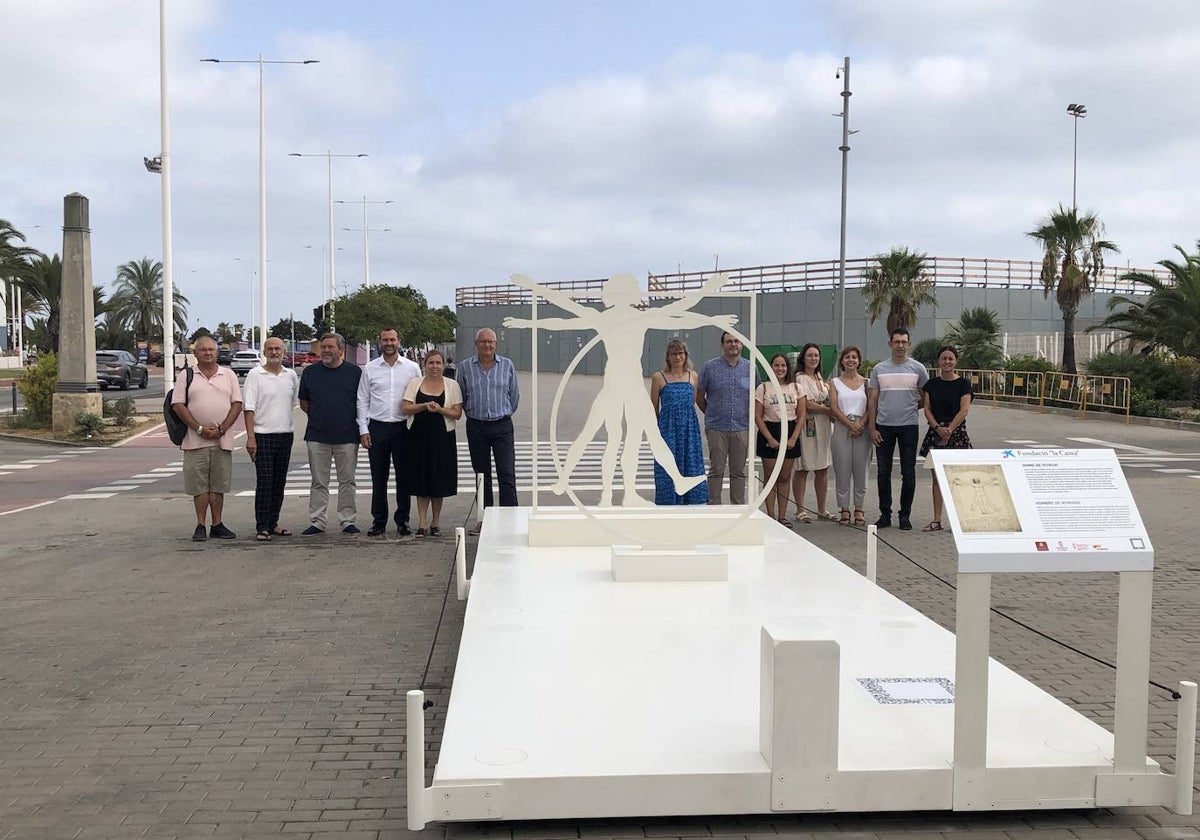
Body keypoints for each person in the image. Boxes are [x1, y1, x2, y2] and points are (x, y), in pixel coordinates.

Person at [503, 273, 726, 507]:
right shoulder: (622, 318)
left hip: (628, 385)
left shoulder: (627, 318)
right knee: (606, 434)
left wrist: (709, 303)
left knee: (636, 435)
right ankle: (571, 481)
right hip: (617, 384)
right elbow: (678, 312)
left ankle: (608, 488)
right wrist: (529, 315)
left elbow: (678, 313)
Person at [170, 335, 243, 541]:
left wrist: (223, 428)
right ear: (195, 353)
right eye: (203, 350)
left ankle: (217, 523)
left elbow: (237, 403)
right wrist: (199, 428)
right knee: (199, 486)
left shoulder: (228, 375)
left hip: (222, 440)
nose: (208, 353)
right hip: (195, 442)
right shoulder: (187, 375)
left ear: (217, 352)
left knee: (218, 485)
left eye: (211, 349)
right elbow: (178, 405)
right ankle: (201, 524)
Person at [357, 328, 422, 537]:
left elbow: (418, 396)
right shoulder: (370, 368)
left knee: (404, 477)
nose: (389, 343)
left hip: (403, 428)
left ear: (398, 341)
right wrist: (363, 429)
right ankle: (379, 521)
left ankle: (403, 520)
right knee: (379, 477)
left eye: (392, 339)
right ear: (380, 342)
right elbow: (362, 399)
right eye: (385, 340)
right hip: (378, 428)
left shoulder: (412, 368)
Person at [299, 333, 363, 535]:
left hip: (347, 436)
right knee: (319, 481)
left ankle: (347, 520)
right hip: (317, 436)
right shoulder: (310, 373)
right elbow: (304, 403)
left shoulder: (355, 373)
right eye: (323, 347)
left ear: (340, 350)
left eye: (330, 347)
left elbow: (361, 402)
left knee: (347, 481)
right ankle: (318, 521)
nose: (326, 351)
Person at [866, 327, 929, 530]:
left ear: (909, 344)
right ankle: (885, 514)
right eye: (897, 342)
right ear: (890, 344)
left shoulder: (918, 369)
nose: (900, 345)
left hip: (908, 427)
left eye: (904, 342)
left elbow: (925, 397)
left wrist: (911, 407)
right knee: (883, 472)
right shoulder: (879, 369)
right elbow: (872, 399)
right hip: (883, 427)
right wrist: (872, 427)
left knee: (908, 473)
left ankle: (905, 515)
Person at [457, 327, 520, 514]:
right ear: (476, 344)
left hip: (502, 425)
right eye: (483, 341)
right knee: (481, 475)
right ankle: (484, 517)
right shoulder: (466, 367)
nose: (487, 345)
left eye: (490, 341)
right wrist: (473, 412)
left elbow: (514, 395)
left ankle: (509, 516)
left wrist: (504, 412)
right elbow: (462, 394)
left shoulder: (507, 365)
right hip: (477, 426)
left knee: (506, 473)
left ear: (495, 344)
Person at [243, 336, 300, 542]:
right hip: (262, 435)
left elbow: (293, 402)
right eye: (270, 349)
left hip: (285, 435)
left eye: (278, 349)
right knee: (265, 482)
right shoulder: (255, 375)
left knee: (279, 482)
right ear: (264, 352)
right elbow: (248, 408)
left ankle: (274, 522)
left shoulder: (291, 375)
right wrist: (251, 438)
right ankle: (262, 525)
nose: (274, 352)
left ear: (284, 351)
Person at [401, 350, 463, 537]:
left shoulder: (452, 385)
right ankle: (422, 523)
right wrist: (423, 406)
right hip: (418, 438)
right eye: (431, 363)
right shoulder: (415, 383)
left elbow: (457, 413)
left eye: (438, 363)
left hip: (442, 438)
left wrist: (440, 409)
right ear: (424, 365)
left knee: (439, 480)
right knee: (421, 480)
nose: (434, 366)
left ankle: (436, 522)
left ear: (443, 365)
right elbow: (405, 408)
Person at [919, 345, 973, 532]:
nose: (947, 362)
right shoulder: (931, 385)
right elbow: (926, 408)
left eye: (950, 358)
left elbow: (964, 410)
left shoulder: (963, 384)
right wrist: (937, 427)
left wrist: (949, 429)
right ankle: (936, 519)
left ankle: (961, 521)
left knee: (959, 479)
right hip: (935, 433)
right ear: (938, 361)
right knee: (937, 480)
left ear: (955, 361)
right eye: (944, 358)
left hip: (956, 433)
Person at [650, 339, 707, 505]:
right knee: (667, 467)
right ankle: (669, 503)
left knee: (691, 463)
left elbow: (694, 400)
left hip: (689, 428)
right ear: (668, 357)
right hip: (667, 429)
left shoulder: (693, 376)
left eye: (680, 353)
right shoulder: (659, 377)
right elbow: (653, 408)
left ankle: (692, 502)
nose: (677, 357)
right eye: (673, 353)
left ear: (685, 355)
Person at [697, 332, 751, 505]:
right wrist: (712, 414)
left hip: (741, 427)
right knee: (716, 470)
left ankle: (738, 507)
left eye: (736, 341)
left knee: (738, 471)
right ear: (722, 345)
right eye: (729, 341)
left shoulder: (750, 368)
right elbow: (699, 396)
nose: (733, 344)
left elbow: (755, 396)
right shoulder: (709, 367)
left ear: (742, 345)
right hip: (716, 428)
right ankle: (714, 506)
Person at [754, 353, 804, 526]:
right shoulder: (763, 388)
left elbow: (802, 415)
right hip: (770, 430)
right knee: (770, 477)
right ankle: (770, 515)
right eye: (776, 365)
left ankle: (782, 516)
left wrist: (794, 437)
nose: (780, 369)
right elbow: (758, 416)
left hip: (789, 431)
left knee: (784, 477)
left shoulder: (796, 387)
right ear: (771, 367)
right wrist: (769, 437)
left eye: (783, 365)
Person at [792, 343, 835, 523]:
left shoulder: (820, 378)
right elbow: (806, 403)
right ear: (803, 358)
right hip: (808, 424)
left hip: (824, 426)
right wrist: (827, 410)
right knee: (803, 467)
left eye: (816, 355)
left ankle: (822, 509)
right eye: (810, 355)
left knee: (822, 468)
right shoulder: (800, 378)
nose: (813, 358)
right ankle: (800, 509)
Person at [828, 345, 871, 527]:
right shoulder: (834, 383)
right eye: (847, 357)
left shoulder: (867, 382)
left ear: (859, 361)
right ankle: (844, 508)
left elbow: (871, 406)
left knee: (861, 470)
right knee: (842, 469)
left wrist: (860, 424)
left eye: (854, 357)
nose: (851, 360)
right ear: (842, 361)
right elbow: (834, 407)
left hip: (863, 429)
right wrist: (849, 424)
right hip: (841, 428)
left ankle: (859, 507)